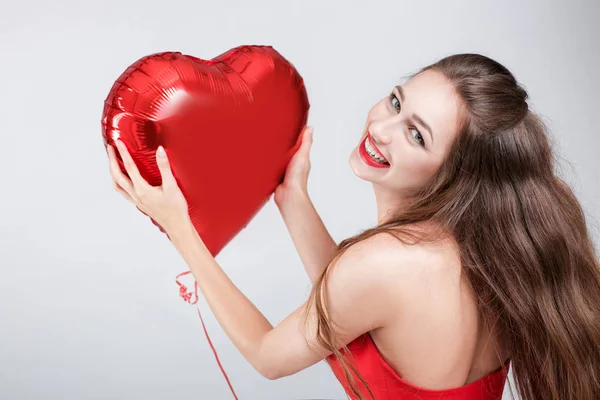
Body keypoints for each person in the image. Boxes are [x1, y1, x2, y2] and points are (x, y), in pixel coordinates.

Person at [106, 53, 600, 400]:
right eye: (395, 101)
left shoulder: (387, 263)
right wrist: (292, 196)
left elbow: (267, 356)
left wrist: (181, 229)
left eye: (416, 135)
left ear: (455, 173)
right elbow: (353, 307)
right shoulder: (488, 251)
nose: (381, 129)